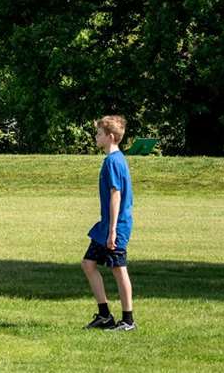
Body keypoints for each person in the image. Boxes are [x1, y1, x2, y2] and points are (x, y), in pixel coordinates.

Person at [81, 115, 136, 331]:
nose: (96, 137)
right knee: (88, 263)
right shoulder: (114, 159)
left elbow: (116, 194)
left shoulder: (114, 161)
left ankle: (128, 320)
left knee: (118, 269)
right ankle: (104, 315)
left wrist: (112, 231)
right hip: (106, 226)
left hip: (115, 226)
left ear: (110, 137)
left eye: (99, 134)